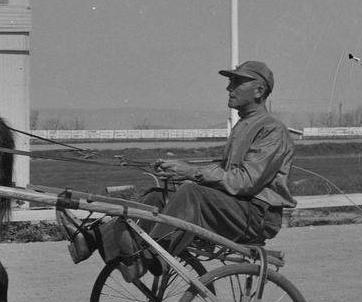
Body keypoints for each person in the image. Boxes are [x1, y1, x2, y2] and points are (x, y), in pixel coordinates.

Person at [57, 61, 296, 279]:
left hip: (258, 216)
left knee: (191, 192)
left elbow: (245, 181)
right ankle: (90, 240)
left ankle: (152, 257)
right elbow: (226, 171)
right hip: (238, 209)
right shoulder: (244, 125)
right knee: (158, 195)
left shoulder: (271, 130)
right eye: (230, 82)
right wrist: (180, 170)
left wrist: (191, 173)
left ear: (259, 91)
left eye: (236, 82)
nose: (228, 88)